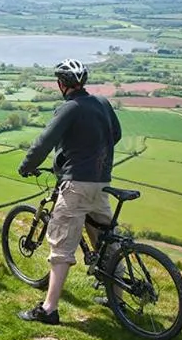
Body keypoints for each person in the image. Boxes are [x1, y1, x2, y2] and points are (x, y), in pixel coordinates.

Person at [16, 58, 122, 325]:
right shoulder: (102, 103)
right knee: (106, 239)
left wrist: (26, 166)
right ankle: (117, 297)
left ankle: (49, 309)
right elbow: (115, 134)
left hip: (76, 185)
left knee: (61, 246)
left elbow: (43, 143)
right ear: (82, 82)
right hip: (101, 182)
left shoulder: (68, 109)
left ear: (61, 84)